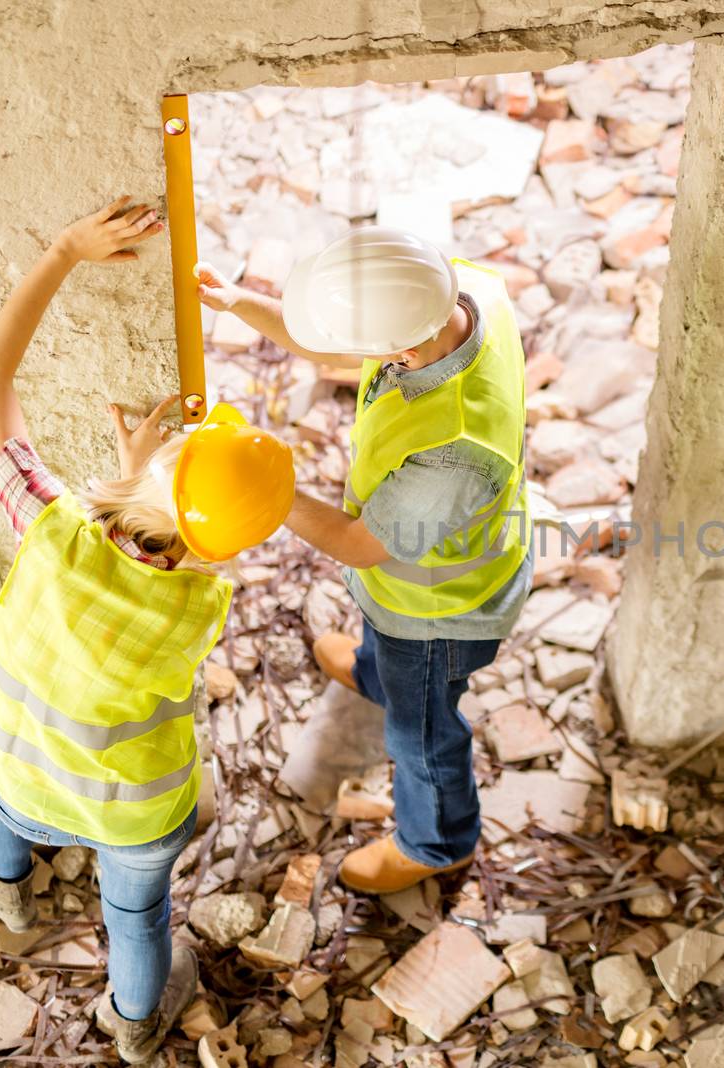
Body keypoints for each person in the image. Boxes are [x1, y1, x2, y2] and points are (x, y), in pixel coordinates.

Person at [0, 198, 295, 1064]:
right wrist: (138, 478)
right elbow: (155, 551)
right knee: (140, 919)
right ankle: (134, 1027)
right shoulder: (200, 598)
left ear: (155, 478)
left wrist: (64, 250)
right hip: (141, 810)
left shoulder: (48, 528)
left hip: (25, 770)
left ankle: (7, 894)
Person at [196, 227, 531, 895]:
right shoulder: (455, 291)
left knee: (423, 738)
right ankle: (379, 674)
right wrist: (240, 303)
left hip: (438, 611)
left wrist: (261, 486)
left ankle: (437, 842)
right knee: (391, 655)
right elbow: (338, 335)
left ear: (399, 352)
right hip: (407, 583)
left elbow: (357, 543)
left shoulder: (455, 447)